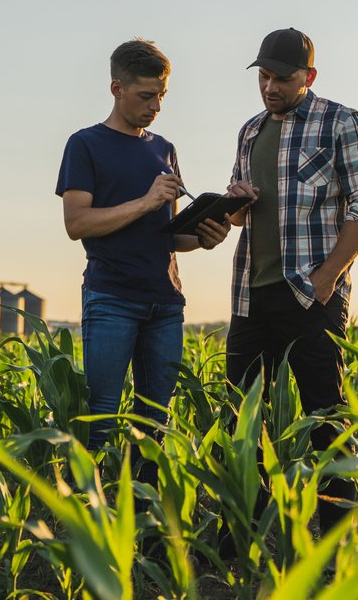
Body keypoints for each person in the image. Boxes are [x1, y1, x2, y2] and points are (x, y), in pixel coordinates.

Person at [224, 27, 358, 534]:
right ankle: (247, 529)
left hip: (312, 294)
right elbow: (237, 220)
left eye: (282, 79)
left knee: (325, 416)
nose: (270, 87)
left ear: (308, 77)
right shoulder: (250, 131)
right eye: (264, 77)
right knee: (242, 417)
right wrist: (235, 201)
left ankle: (338, 531)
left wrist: (326, 277)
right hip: (252, 292)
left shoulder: (341, 122)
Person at [56, 38, 231, 463]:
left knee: (155, 422)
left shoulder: (164, 149)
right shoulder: (84, 145)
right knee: (100, 418)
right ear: (117, 89)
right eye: (146, 96)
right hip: (112, 299)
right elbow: (77, 224)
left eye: (162, 96)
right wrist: (147, 201)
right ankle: (90, 519)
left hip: (165, 304)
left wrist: (206, 236)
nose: (156, 106)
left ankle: (147, 523)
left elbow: (167, 234)